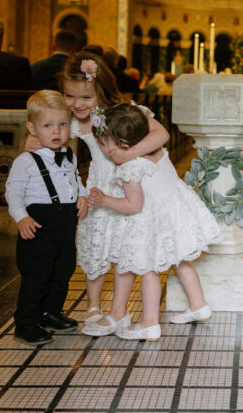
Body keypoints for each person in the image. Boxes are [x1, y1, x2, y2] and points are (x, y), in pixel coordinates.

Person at [58, 52, 170, 336]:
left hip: (126, 189)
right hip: (97, 187)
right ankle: (93, 306)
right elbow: (60, 155)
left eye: (85, 98)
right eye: (70, 96)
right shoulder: (71, 121)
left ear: (101, 89)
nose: (77, 104)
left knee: (124, 248)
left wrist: (127, 154)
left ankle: (118, 312)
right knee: (94, 243)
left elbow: (161, 135)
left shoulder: (121, 111)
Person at [87, 102, 220, 340]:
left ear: (125, 146)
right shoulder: (157, 151)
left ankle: (149, 323)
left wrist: (105, 200)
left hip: (153, 220)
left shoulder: (130, 168)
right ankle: (199, 304)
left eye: (103, 143)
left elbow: (133, 205)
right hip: (176, 212)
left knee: (149, 270)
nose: (100, 146)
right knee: (180, 261)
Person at [4, 90, 88, 345]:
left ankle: (50, 312)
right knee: (36, 276)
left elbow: (75, 180)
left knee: (62, 271)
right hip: (38, 224)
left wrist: (82, 195)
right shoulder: (26, 160)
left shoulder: (69, 156)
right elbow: (13, 192)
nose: (57, 131)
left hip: (64, 224)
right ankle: (25, 322)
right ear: (32, 128)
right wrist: (21, 218)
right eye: (48, 125)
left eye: (62, 124)